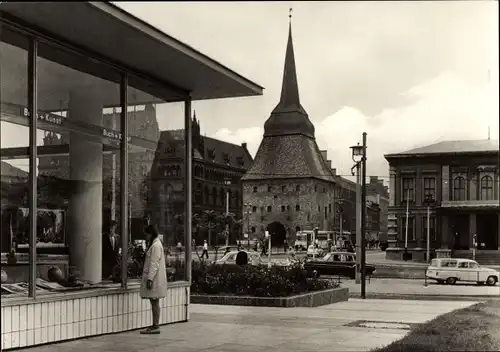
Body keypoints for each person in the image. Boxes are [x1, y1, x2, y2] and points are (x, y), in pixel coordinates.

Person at [140, 225, 167, 334]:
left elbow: (154, 264)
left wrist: (150, 279)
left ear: (151, 234)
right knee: (154, 302)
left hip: (154, 279)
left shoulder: (155, 246)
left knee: (154, 301)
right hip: (155, 278)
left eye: (147, 234)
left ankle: (155, 325)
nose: (146, 237)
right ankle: (155, 325)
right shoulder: (156, 244)